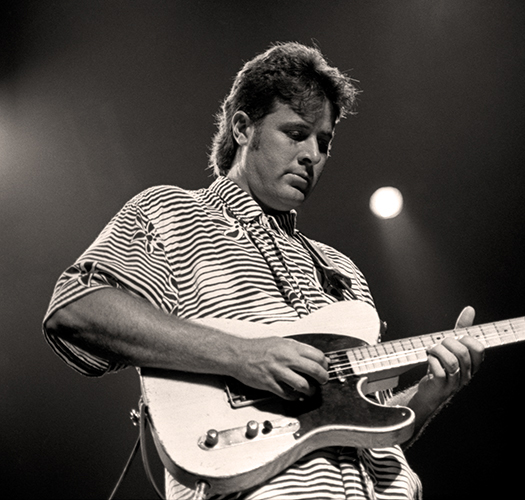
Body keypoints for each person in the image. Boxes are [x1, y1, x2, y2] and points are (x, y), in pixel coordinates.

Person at [43, 42, 485, 500]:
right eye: (296, 134)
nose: (313, 154)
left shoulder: (341, 270)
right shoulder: (172, 213)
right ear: (242, 128)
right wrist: (243, 355)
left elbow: (358, 418)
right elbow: (75, 310)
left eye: (324, 142)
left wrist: (431, 392)